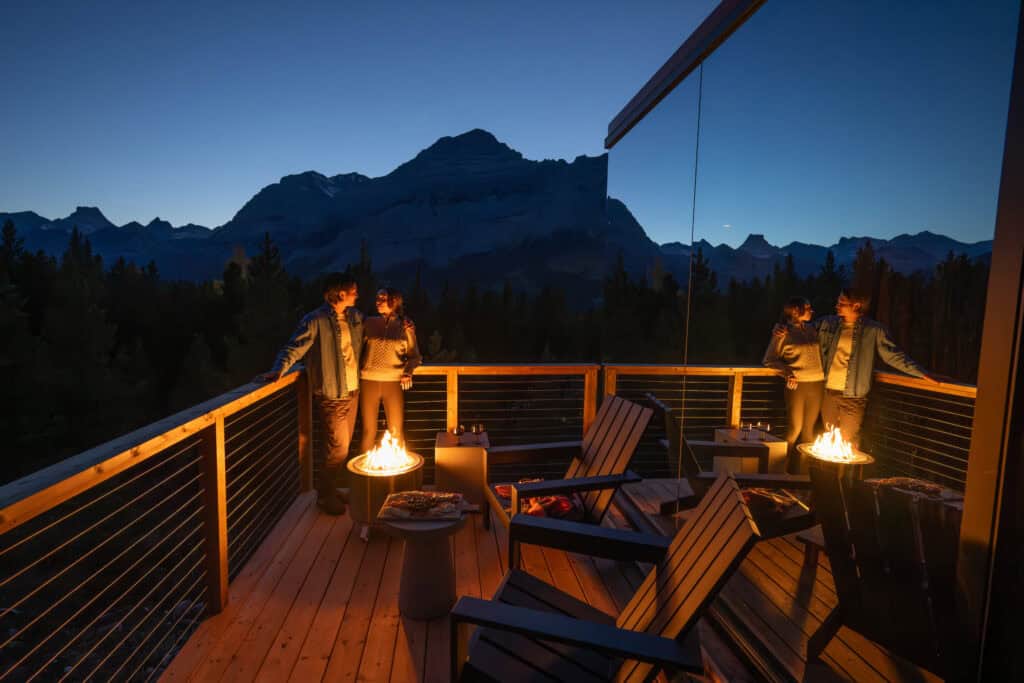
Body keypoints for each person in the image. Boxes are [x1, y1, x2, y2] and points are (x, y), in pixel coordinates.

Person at [775, 287, 939, 447]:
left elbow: (893, 355)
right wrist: (781, 328)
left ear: (856, 306)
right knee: (830, 440)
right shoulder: (828, 324)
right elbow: (799, 328)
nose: (837, 305)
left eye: (842, 302)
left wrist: (922, 373)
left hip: (853, 397)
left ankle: (846, 467)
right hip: (828, 394)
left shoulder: (873, 330)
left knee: (848, 441)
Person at [258, 274, 362, 515]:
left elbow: (375, 327)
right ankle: (324, 496)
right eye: (353, 291)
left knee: (341, 448)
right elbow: (294, 347)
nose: (357, 294)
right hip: (331, 394)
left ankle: (331, 489)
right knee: (338, 448)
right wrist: (279, 369)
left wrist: (401, 321)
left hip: (352, 391)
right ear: (341, 293)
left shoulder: (354, 317)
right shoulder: (315, 320)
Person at [763, 297, 824, 472]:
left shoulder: (813, 329)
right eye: (807, 307)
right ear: (796, 311)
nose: (811, 310)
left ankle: (803, 476)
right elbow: (769, 360)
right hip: (797, 386)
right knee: (794, 429)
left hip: (817, 383)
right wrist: (787, 372)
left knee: (809, 432)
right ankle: (778, 470)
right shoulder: (783, 333)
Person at [359, 287, 421, 453]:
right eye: (377, 298)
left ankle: (399, 468)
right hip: (368, 380)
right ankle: (364, 467)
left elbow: (415, 356)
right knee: (368, 432)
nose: (378, 301)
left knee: (396, 432)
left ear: (394, 301)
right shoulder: (368, 323)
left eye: (383, 298)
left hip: (393, 382)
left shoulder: (405, 326)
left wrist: (408, 372)